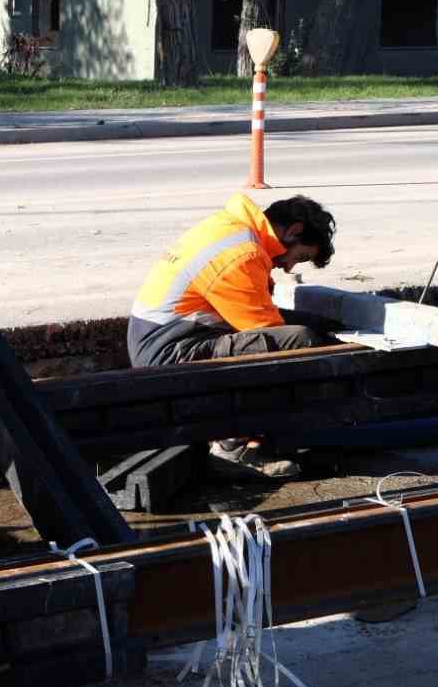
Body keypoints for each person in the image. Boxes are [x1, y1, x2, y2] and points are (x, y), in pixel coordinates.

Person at [128, 192, 337, 476]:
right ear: (294, 231)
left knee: (297, 334)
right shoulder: (242, 254)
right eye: (298, 257)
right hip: (168, 351)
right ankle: (232, 450)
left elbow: (256, 311)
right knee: (298, 343)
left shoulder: (233, 229)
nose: (288, 267)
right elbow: (268, 332)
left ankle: (244, 430)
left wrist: (324, 323)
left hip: (161, 338)